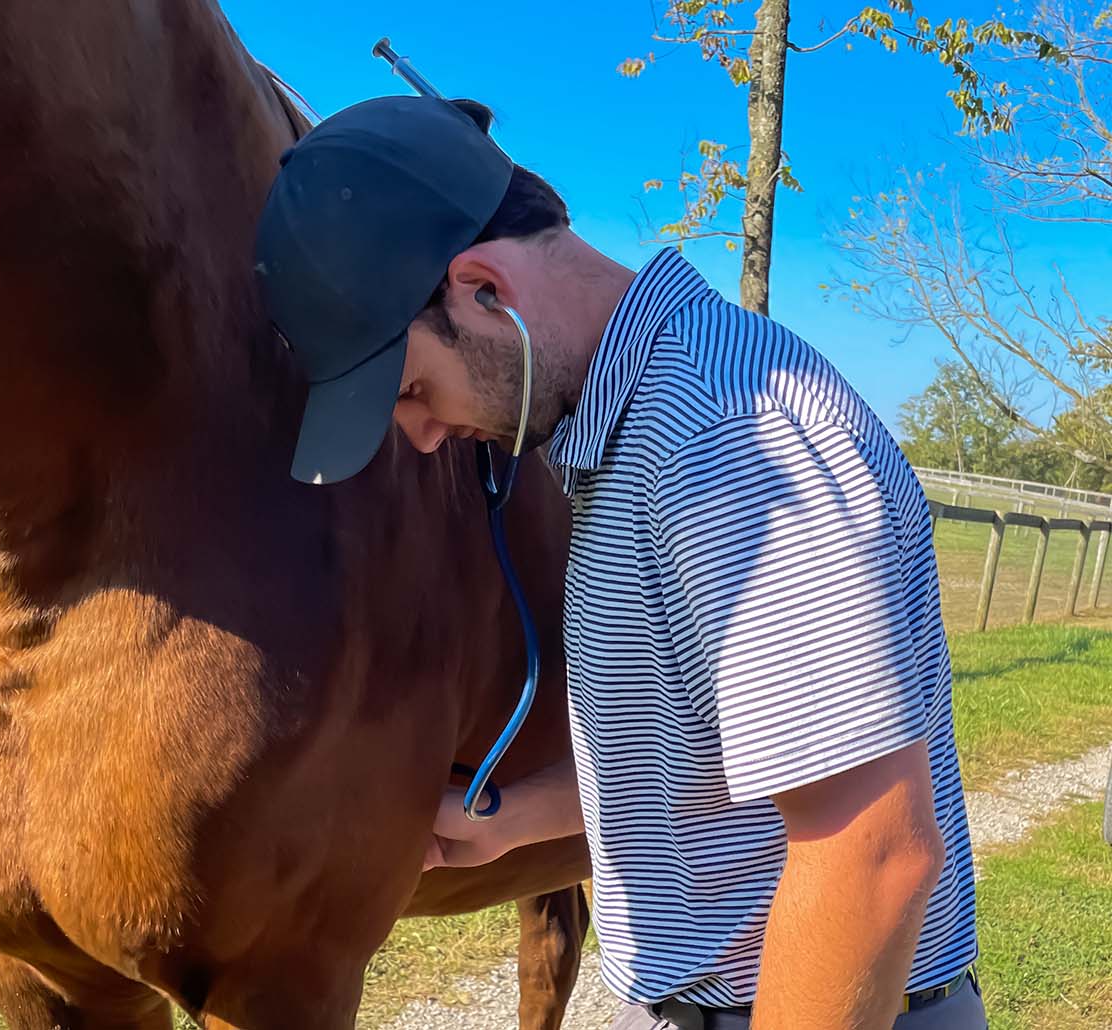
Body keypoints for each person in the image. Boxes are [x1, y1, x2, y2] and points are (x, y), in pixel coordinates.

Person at [253, 94, 983, 1030]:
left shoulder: (724, 445)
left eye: (413, 389)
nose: (428, 437)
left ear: (483, 290)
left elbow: (870, 857)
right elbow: (716, 773)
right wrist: (511, 820)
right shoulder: (639, 437)